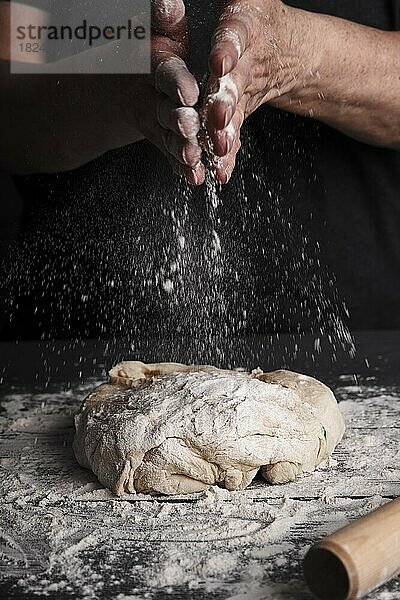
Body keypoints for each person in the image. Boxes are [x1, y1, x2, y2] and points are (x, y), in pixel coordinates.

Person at [0, 0, 399, 344]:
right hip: (79, 347)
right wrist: (116, 67)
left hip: (356, 348)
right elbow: (20, 38)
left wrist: (296, 51)